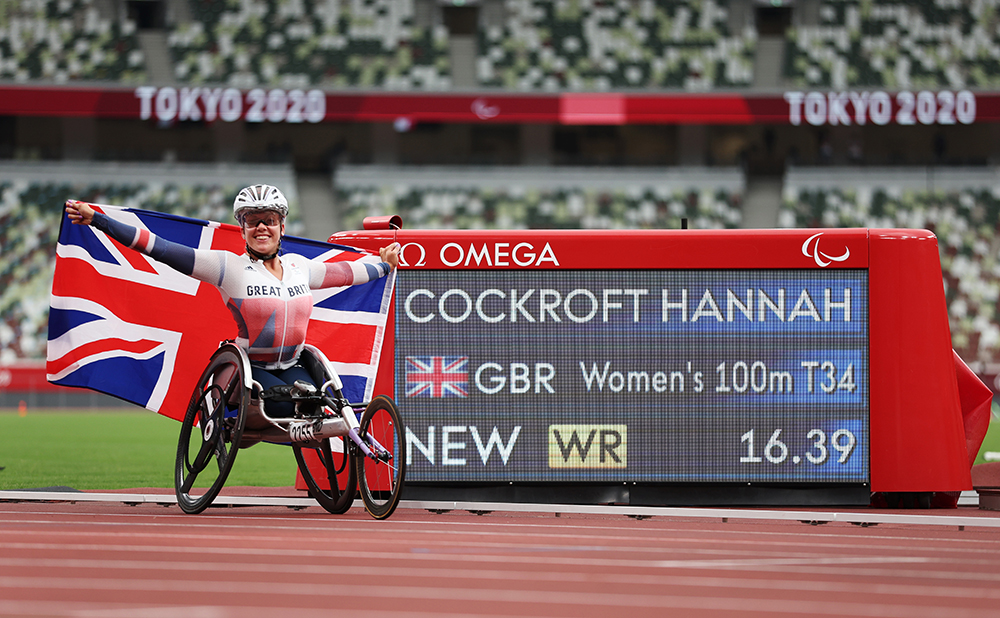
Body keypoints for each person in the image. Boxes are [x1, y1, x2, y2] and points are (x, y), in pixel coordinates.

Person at [65, 183, 399, 417]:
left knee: (322, 406)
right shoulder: (228, 267)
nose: (261, 228)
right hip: (250, 367)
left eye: (268, 220)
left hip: (295, 365)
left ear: (282, 226)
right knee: (284, 406)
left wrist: (384, 263)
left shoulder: (300, 268)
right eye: (252, 222)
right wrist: (99, 220)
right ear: (242, 230)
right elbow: (160, 248)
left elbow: (346, 272)